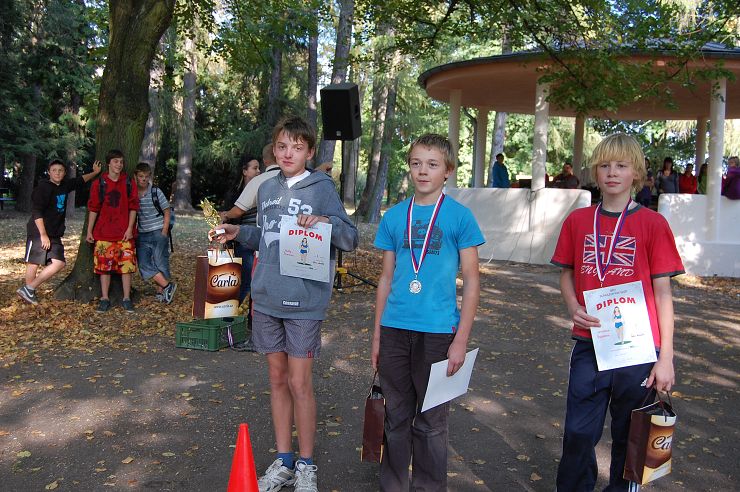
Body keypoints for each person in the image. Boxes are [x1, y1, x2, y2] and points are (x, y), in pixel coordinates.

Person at [211, 116, 358, 492]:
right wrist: (237, 231)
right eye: (281, 146)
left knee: (298, 382)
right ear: (274, 151)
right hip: (267, 297)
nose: (288, 153)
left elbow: (349, 237)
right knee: (277, 380)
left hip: (305, 300)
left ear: (309, 152)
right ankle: (284, 461)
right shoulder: (266, 187)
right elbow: (266, 234)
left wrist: (323, 221)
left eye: (297, 147)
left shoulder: (321, 187)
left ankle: (307, 464)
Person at [551, 133, 684, 491]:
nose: (612, 172)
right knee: (578, 432)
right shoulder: (578, 221)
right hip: (590, 341)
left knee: (631, 434)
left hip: (638, 349)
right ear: (595, 171)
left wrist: (665, 358)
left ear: (635, 173)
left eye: (621, 166)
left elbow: (663, 293)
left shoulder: (653, 224)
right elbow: (567, 273)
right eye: (605, 165)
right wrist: (574, 307)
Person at [372, 134, 484, 491]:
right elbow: (386, 278)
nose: (423, 171)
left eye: (432, 164)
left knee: (432, 421)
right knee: (395, 415)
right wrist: (377, 336)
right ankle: (393, 486)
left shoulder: (459, 217)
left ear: (447, 171)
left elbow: (472, 280)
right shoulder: (394, 217)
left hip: (438, 333)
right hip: (394, 328)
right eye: (416, 163)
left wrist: (460, 340)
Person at [16, 159, 102, 305]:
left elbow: (79, 181)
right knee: (34, 262)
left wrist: (95, 173)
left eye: (60, 170)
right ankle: (28, 295)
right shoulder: (43, 188)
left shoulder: (64, 185)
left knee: (59, 263)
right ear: (49, 172)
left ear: (64, 173)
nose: (57, 173)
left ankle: (28, 289)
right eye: (54, 170)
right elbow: (37, 212)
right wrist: (43, 235)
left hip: (54, 233)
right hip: (38, 232)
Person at [86, 149, 139, 313]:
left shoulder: (128, 182)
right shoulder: (99, 183)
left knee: (126, 267)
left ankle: (126, 298)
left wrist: (130, 228)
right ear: (108, 163)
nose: (119, 165)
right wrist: (89, 231)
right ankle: (104, 298)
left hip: (124, 234)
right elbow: (93, 208)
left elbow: (133, 207)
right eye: (116, 161)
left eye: (121, 162)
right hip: (104, 233)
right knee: (104, 267)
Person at [134, 163, 176, 304]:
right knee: (143, 263)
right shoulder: (133, 193)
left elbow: (166, 210)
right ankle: (168, 286)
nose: (143, 179)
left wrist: (164, 231)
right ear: (136, 176)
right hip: (142, 233)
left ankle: (161, 291)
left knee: (160, 261)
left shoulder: (156, 191)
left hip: (158, 231)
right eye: (141, 176)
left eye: (146, 176)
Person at [223, 154, 261, 304]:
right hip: (243, 242)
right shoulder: (235, 193)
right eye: (255, 168)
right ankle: (228, 311)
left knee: (255, 281)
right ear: (245, 171)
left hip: (260, 242)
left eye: (259, 168)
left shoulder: (264, 189)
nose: (259, 171)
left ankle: (250, 314)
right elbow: (227, 216)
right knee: (245, 282)